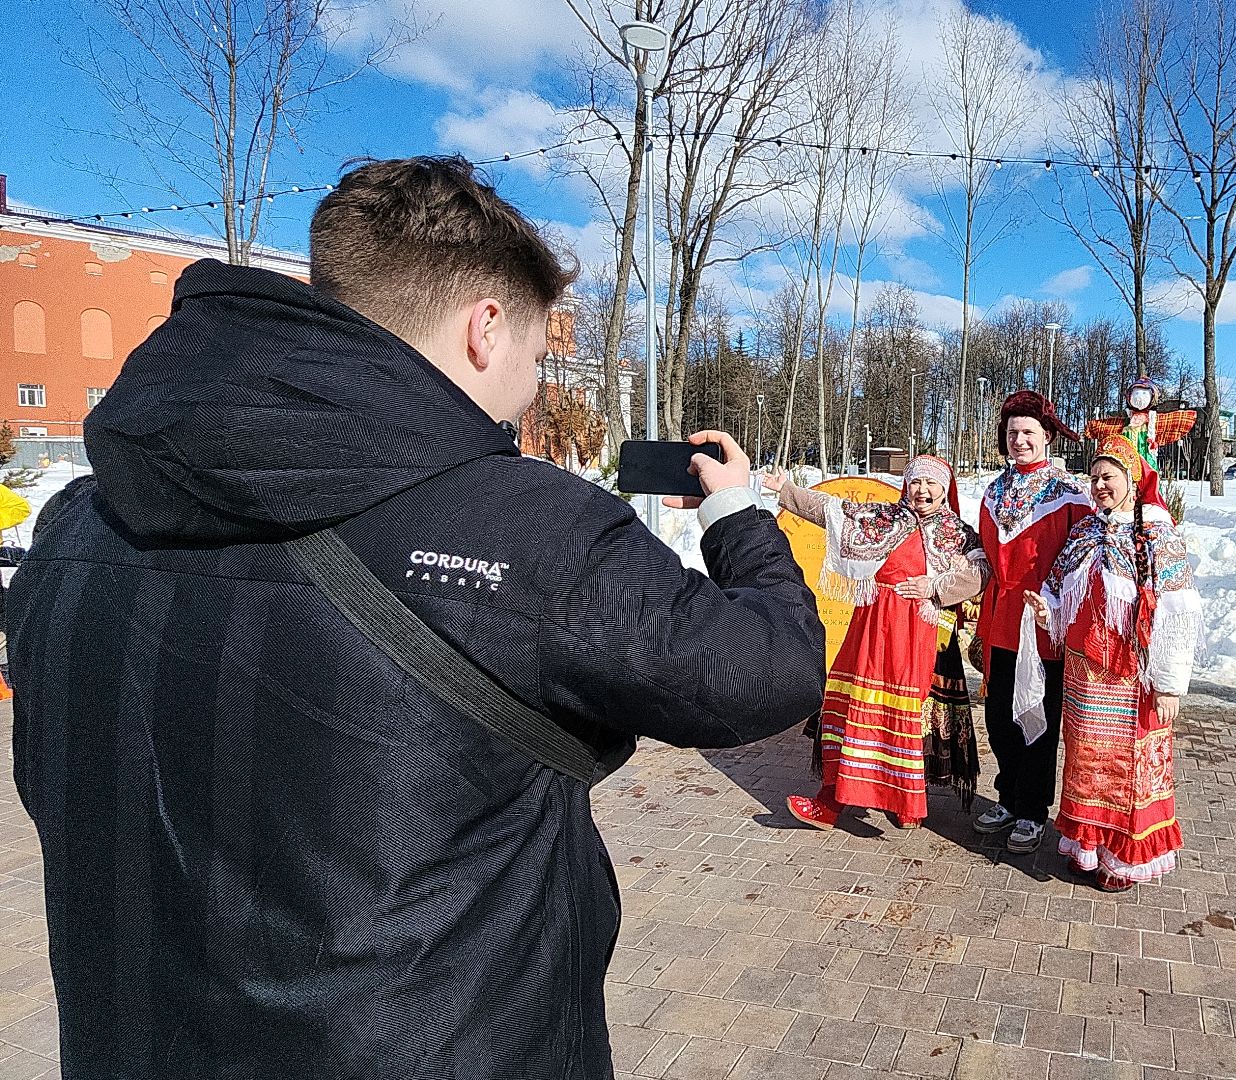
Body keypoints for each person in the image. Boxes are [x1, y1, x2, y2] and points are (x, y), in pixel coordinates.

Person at [4, 156, 826, 1079]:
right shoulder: (531, 527)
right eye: (540, 354)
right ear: (486, 329)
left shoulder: (78, 525)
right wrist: (739, 514)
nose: (534, 384)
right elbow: (771, 667)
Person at [769, 455, 987, 830]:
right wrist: (787, 491)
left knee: (901, 711)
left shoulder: (957, 533)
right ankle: (830, 801)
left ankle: (904, 801)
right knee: (855, 705)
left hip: (914, 629)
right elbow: (832, 511)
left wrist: (936, 588)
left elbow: (981, 572)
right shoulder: (884, 519)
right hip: (870, 623)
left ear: (945, 489)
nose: (923, 491)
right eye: (916, 482)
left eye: (932, 484)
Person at [1027, 437, 1199, 892]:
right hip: (1084, 673)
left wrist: (1168, 684)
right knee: (1087, 760)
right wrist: (1047, 611)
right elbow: (1058, 585)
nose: (1100, 485)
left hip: (1132, 676)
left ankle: (1121, 858)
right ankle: (1090, 847)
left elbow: (1177, 612)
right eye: (1095, 477)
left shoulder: (1156, 535)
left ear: (1132, 480)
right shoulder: (1085, 531)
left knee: (1129, 768)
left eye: (1109, 477)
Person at [972, 391, 1091, 854]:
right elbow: (982, 551)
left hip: (1044, 622)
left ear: (1047, 436)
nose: (1019, 440)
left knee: (1037, 718)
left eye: (1028, 432)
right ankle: (1006, 795)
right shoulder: (994, 492)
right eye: (1012, 433)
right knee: (1000, 716)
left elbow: (1081, 561)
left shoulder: (1068, 496)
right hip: (1001, 619)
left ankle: (1031, 810)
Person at [1084, 378, 1195, 473]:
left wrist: (1189, 416)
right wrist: (1093, 427)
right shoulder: (1125, 423)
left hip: (1146, 459)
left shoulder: (1153, 422)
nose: (1139, 397)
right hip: (1126, 460)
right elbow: (1108, 427)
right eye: (1136, 393)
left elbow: (1173, 421)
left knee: (1148, 480)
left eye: (1143, 393)